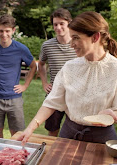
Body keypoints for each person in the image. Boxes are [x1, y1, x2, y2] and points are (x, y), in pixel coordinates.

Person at [17, 11, 117, 144]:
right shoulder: (69, 67)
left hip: (102, 140)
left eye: (76, 38)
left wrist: (115, 115)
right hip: (68, 134)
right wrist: (30, 129)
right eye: (72, 38)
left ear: (95, 37)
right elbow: (51, 102)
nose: (71, 44)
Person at [0, 14, 37, 138]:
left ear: (13, 30)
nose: (4, 34)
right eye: (1, 31)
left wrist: (25, 85)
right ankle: (0, 156)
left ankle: (14, 156)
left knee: (15, 133)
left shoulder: (21, 49)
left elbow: (33, 66)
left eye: (7, 31)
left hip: (14, 97)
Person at [38, 8, 77, 137]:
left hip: (75, 94)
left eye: (62, 23)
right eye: (55, 24)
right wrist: (44, 83)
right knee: (52, 129)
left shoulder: (78, 44)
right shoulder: (47, 46)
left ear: (69, 23)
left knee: (74, 130)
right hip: (54, 94)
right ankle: (51, 155)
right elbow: (41, 64)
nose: (58, 27)